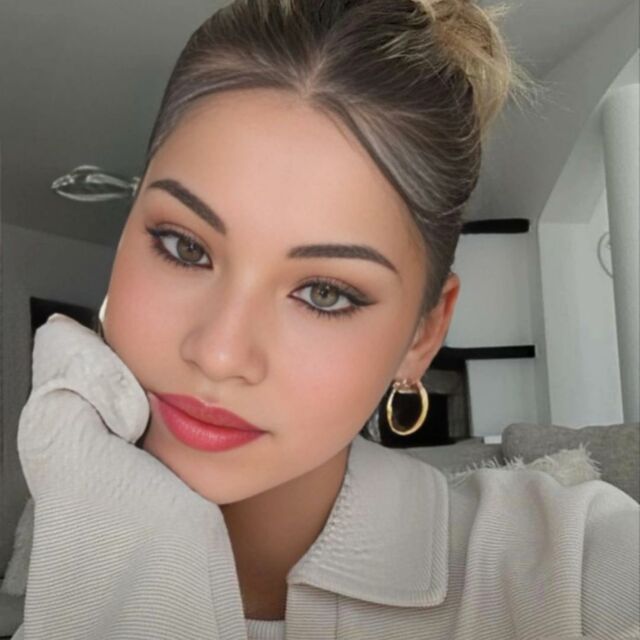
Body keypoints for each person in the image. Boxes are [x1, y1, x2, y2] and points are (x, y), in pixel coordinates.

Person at [11, 1, 639, 639]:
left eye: (324, 294)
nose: (220, 352)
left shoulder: (572, 572)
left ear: (422, 335)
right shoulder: (61, 529)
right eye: (185, 247)